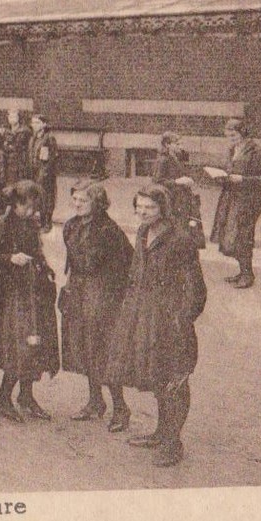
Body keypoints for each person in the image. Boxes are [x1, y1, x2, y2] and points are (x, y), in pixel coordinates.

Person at [108, 184, 208, 467]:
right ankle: (161, 433)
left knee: (173, 381)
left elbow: (196, 289)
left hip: (169, 320)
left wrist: (181, 319)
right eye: (139, 206)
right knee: (156, 377)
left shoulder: (180, 240)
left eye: (149, 207)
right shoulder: (142, 232)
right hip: (143, 316)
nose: (142, 212)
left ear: (163, 208)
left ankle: (173, 443)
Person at [58, 181, 134, 431]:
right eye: (75, 199)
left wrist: (114, 296)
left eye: (84, 200)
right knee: (84, 347)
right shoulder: (71, 226)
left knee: (104, 350)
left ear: (97, 203)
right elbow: (73, 263)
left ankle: (121, 408)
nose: (77, 204)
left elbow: (128, 265)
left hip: (102, 295)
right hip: (79, 291)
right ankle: (95, 402)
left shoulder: (109, 231)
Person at [0, 181, 60, 422]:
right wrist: (9, 258)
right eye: (28, 208)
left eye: (35, 208)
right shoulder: (3, 224)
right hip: (15, 290)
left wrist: (46, 266)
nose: (32, 212)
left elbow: (37, 250)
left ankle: (26, 396)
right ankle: (3, 396)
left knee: (35, 340)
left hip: (35, 287)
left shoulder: (30, 222)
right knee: (18, 342)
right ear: (16, 204)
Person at [209, 118, 261, 289]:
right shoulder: (231, 150)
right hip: (231, 199)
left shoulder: (257, 152)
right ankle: (242, 271)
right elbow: (229, 170)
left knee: (244, 236)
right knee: (232, 236)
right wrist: (221, 177)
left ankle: (247, 274)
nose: (231, 139)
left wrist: (243, 179)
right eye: (228, 136)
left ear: (243, 132)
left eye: (234, 135)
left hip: (248, 201)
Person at [27, 115, 59, 225]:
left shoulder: (48, 138)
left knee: (47, 197)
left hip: (45, 173)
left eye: (37, 123)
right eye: (33, 123)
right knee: (38, 197)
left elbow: (50, 159)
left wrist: (43, 173)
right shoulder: (33, 138)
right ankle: (41, 220)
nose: (34, 125)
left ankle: (47, 222)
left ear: (44, 124)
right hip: (35, 171)